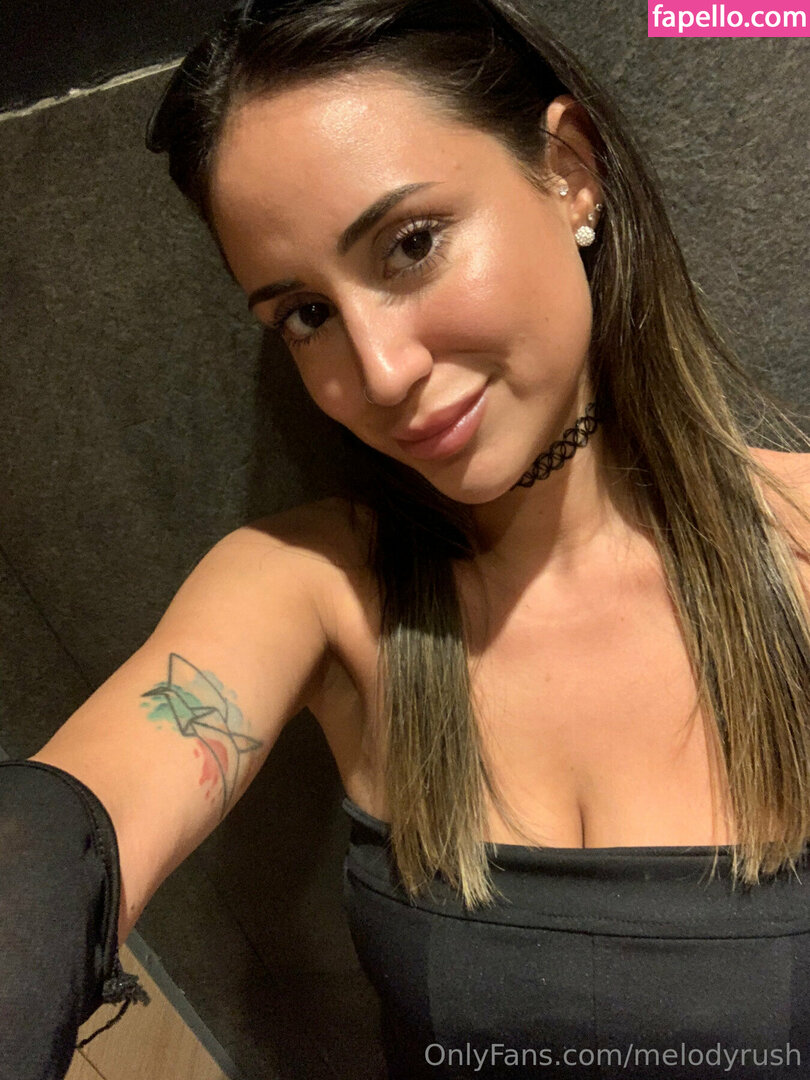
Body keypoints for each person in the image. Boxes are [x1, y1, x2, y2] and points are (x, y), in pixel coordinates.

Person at [3, 0, 809, 1077]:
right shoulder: (314, 589)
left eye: (413, 244)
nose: (379, 375)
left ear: (569, 171)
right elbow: (73, 827)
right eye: (305, 315)